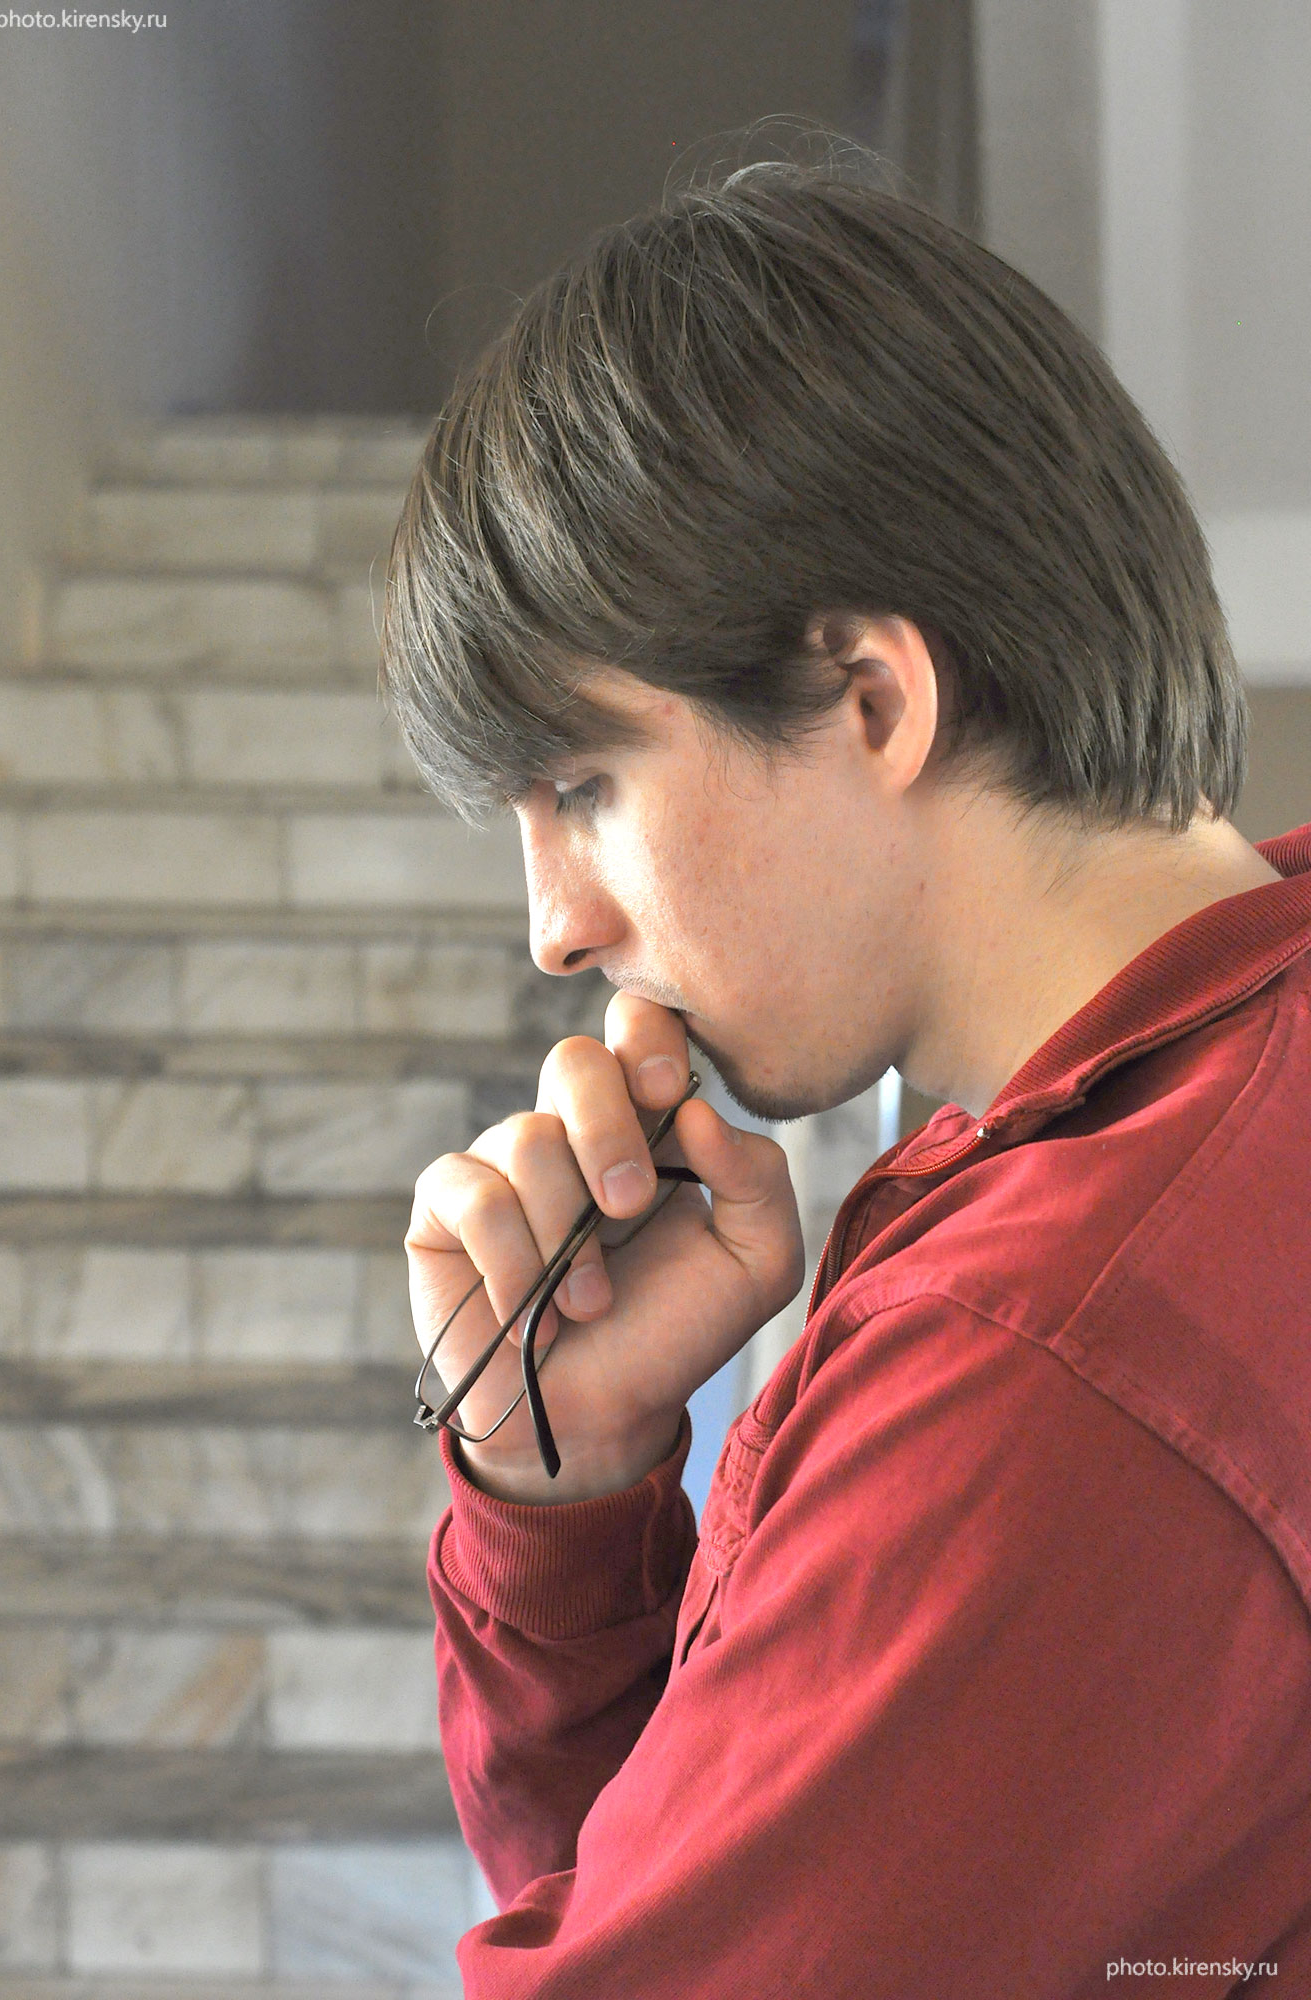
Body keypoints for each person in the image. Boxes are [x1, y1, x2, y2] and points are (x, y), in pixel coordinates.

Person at [379, 153, 1311, 1997]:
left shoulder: (1056, 1349)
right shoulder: (1212, 1140)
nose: (556, 925)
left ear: (873, 699)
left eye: (586, 785)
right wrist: (567, 1497)